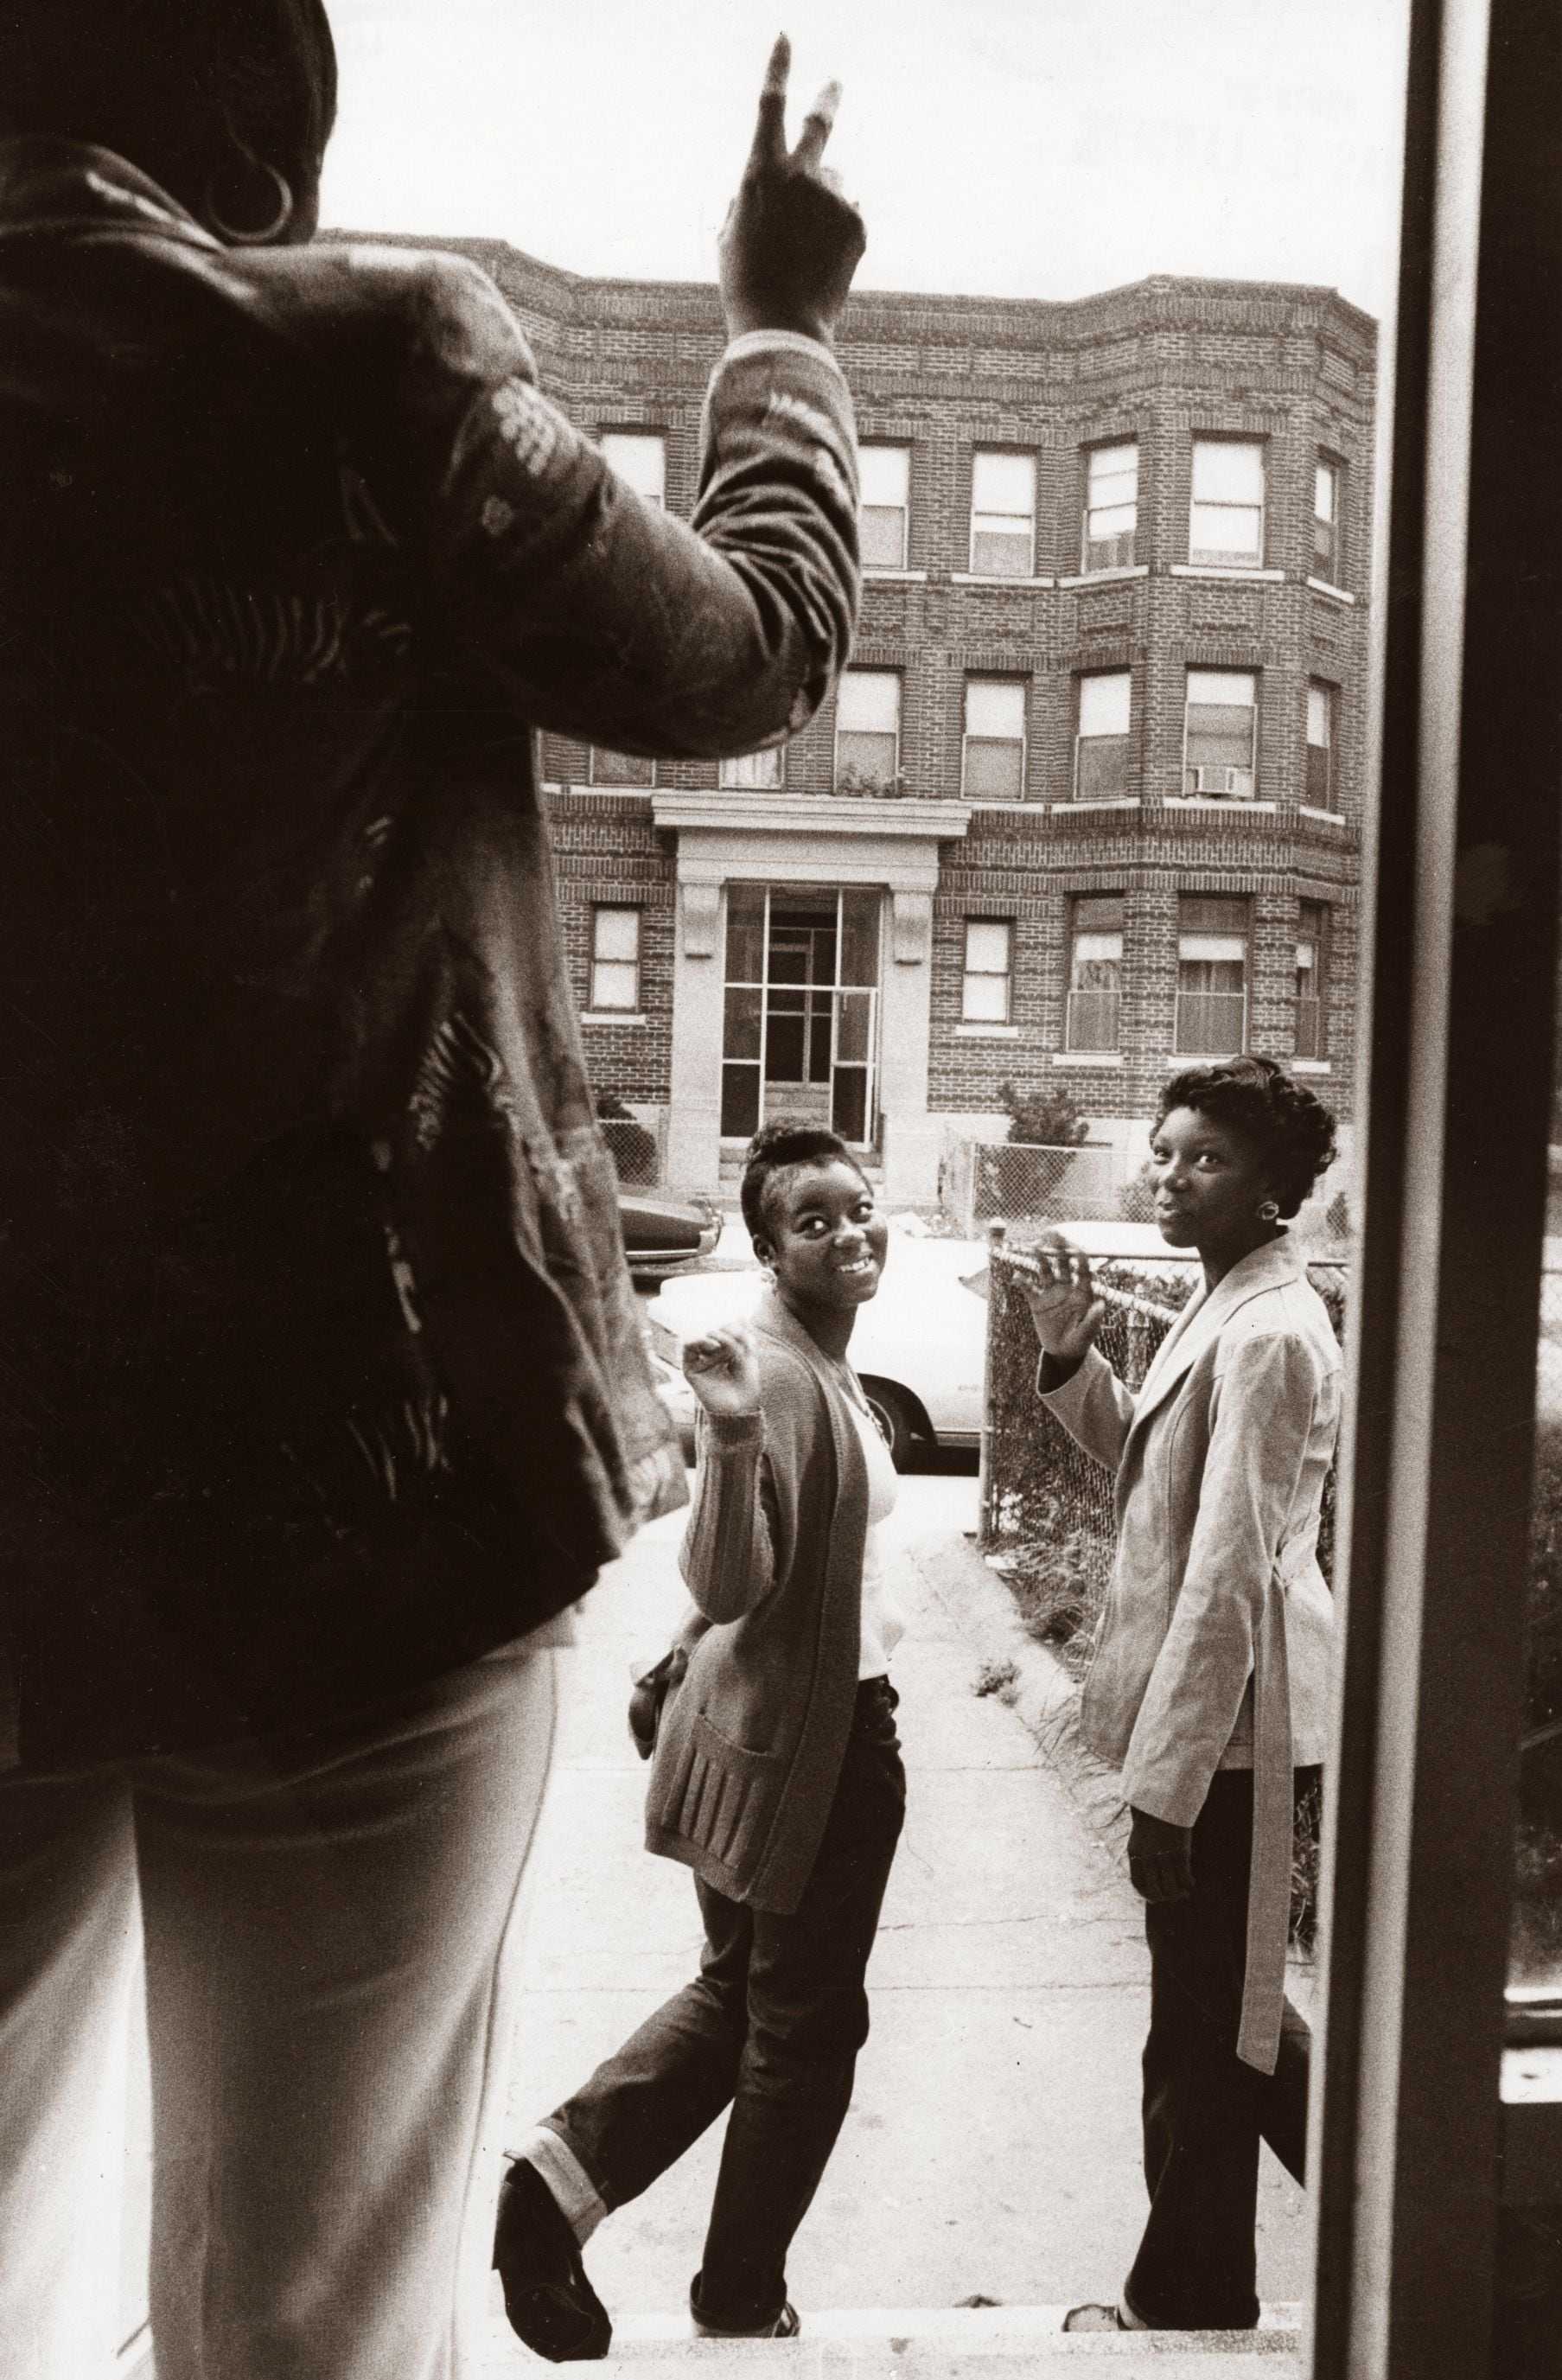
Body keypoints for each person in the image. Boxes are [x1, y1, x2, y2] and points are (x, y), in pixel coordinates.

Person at [0, 8, 865, 2373]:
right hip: (368, 1499)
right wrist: (779, 322)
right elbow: (759, 646)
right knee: (308, 2303)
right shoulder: (364, 365)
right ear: (262, 133)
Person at [494, 1123, 907, 2356]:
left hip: (771, 1727)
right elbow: (736, 1577)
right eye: (813, 1220)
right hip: (818, 1750)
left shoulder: (816, 1354)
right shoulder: (771, 1371)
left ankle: (550, 2186)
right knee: (806, 2028)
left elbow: (783, 1575)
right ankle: (736, 2297)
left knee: (747, 1996)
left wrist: (676, 1647)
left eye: (858, 1206)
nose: (847, 1233)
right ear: (771, 1246)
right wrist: (727, 1434)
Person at [1020, 1056, 1341, 2334]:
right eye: (1164, 1151)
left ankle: (1192, 2293)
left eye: (1203, 1156)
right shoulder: (1231, 1302)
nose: (1170, 1173)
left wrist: (1169, 1784)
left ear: (1274, 1188)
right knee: (1220, 2026)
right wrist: (1066, 1360)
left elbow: (1225, 1581)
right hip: (1222, 1728)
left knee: (1212, 2037)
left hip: (1240, 1734)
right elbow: (1161, 1483)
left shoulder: (1268, 1330)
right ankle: (1428, 2215)